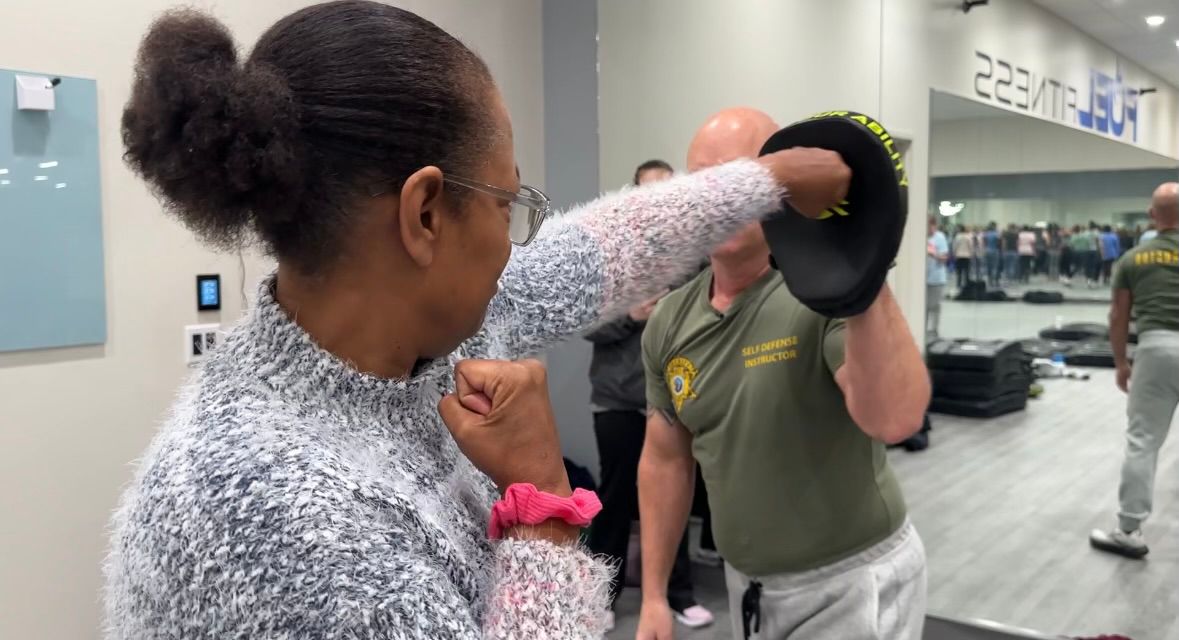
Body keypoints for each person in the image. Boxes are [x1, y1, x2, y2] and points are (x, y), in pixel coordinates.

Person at [102, 6, 852, 638]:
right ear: (425, 214)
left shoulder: (418, 335)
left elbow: (599, 252)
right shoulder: (266, 520)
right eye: (505, 202)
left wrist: (766, 181)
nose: (514, 236)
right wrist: (541, 509)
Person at [635, 107, 930, 640]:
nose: (720, 200)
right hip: (748, 585)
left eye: (739, 179)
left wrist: (861, 268)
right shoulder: (670, 319)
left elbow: (896, 418)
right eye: (704, 182)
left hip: (850, 581)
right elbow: (664, 460)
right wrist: (654, 595)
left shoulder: (824, 297)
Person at [584, 159, 713, 631]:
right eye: (647, 191)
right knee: (616, 502)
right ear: (632, 195)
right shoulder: (609, 253)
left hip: (675, 400)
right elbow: (588, 326)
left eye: (666, 191)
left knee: (673, 495)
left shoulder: (696, 258)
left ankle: (679, 593)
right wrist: (631, 316)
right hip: (617, 400)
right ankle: (602, 595)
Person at [1090, 182, 1179, 560]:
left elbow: (1117, 317)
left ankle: (1128, 530)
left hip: (1156, 349)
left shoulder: (1132, 259)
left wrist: (1121, 362)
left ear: (1151, 215)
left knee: (1143, 441)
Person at [927, 217, 950, 338]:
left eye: (931, 226)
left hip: (936, 278)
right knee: (923, 306)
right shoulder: (920, 236)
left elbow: (944, 258)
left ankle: (934, 330)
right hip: (923, 279)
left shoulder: (940, 237)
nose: (929, 229)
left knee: (934, 306)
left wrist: (933, 253)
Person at [953, 224, 975, 290]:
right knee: (967, 272)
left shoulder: (957, 237)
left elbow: (954, 246)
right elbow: (971, 246)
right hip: (967, 256)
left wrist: (954, 253)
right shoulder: (968, 237)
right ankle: (966, 285)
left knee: (959, 272)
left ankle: (958, 284)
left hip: (959, 256)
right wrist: (971, 254)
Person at [982, 222, 1001, 288]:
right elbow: (999, 243)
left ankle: (990, 280)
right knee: (995, 267)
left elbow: (984, 242)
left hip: (987, 250)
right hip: (994, 251)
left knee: (988, 266)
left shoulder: (986, 234)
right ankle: (994, 281)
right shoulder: (996, 234)